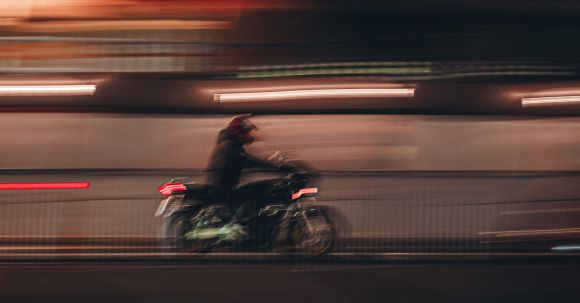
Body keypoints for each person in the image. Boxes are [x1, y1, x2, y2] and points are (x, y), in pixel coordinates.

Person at [205, 114, 294, 242]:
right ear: (239, 131)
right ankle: (235, 226)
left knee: (255, 191)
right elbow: (249, 160)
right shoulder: (230, 145)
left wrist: (272, 167)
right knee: (256, 193)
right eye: (247, 132)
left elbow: (248, 161)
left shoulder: (230, 143)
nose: (250, 135)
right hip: (222, 186)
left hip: (223, 184)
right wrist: (278, 168)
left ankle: (242, 225)